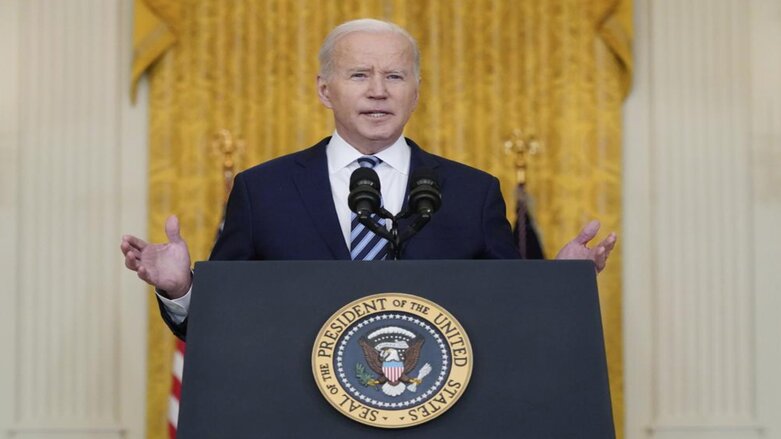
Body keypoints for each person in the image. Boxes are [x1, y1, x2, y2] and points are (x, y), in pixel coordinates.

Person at [120, 19, 617, 339]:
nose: (378, 91)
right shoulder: (263, 190)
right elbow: (223, 323)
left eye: (395, 77)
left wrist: (561, 284)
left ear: (416, 92)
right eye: (359, 75)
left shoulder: (472, 192)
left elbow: (509, 313)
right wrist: (181, 288)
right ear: (325, 90)